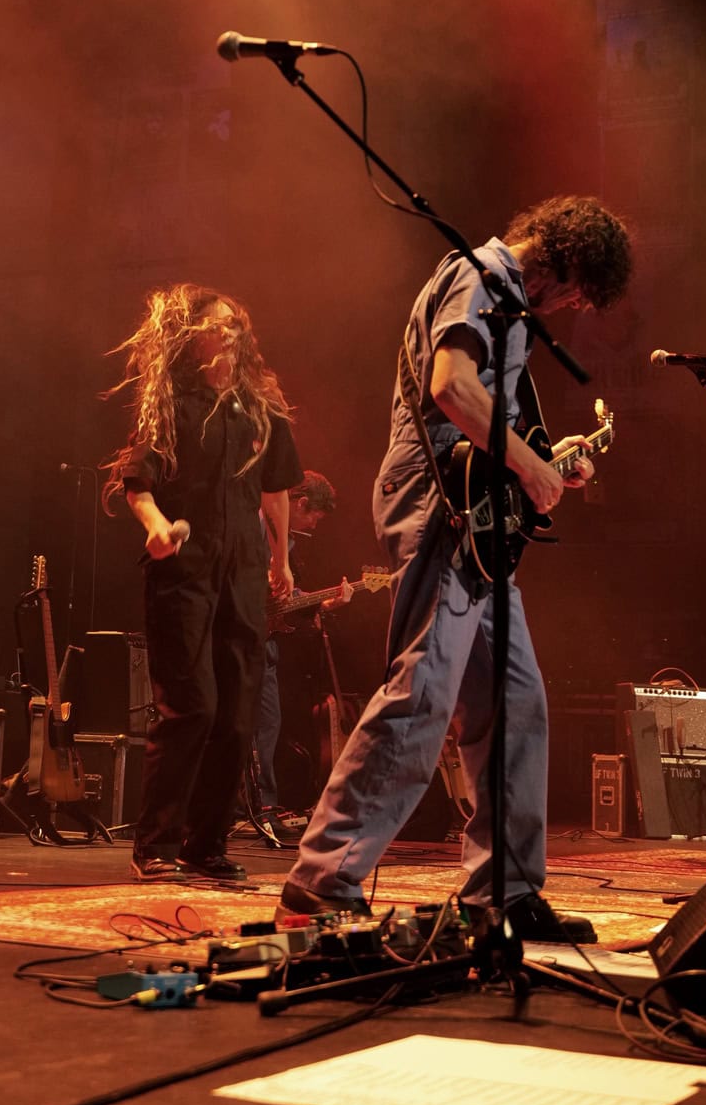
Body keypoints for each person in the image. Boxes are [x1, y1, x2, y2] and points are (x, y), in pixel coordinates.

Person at [275, 195, 633, 948]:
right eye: (577, 290)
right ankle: (321, 881)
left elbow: (489, 421)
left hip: (470, 508)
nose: (572, 306)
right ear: (563, 256)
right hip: (438, 500)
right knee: (423, 694)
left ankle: (505, 892)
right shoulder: (482, 275)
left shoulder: (506, 297)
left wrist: (541, 460)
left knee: (516, 703)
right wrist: (530, 465)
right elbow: (450, 388)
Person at [100, 282, 303, 881]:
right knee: (192, 707)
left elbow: (275, 489)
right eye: (218, 326)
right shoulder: (173, 406)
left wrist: (282, 560)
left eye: (235, 325)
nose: (230, 334)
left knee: (238, 717)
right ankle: (156, 846)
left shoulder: (260, 409)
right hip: (184, 572)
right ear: (193, 341)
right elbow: (138, 485)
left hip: (243, 570)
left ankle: (206, 845)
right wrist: (156, 527)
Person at [249, 470, 353, 845]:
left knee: (267, 725)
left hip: (265, 646)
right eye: (315, 517)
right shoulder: (253, 526)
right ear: (301, 503)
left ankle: (263, 809)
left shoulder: (287, 543)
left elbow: (282, 600)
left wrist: (323, 603)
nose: (314, 526)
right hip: (237, 638)